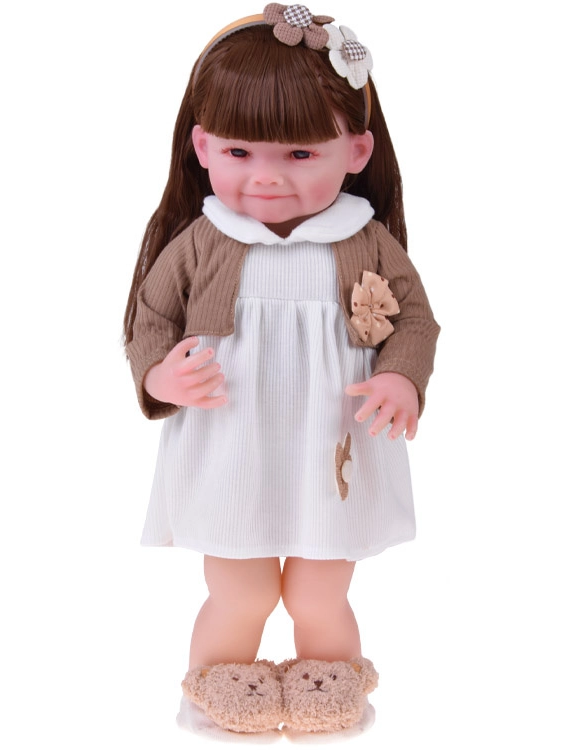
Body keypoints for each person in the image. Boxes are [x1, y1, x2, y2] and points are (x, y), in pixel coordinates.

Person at [123, 3, 439, 736]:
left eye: (299, 155)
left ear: (355, 151)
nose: (266, 180)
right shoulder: (204, 241)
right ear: (203, 145)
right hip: (229, 438)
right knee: (240, 589)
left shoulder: (362, 241)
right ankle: (219, 689)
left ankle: (329, 690)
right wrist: (160, 378)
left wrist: (400, 376)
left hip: (334, 441)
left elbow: (415, 320)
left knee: (318, 591)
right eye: (240, 152)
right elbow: (150, 319)